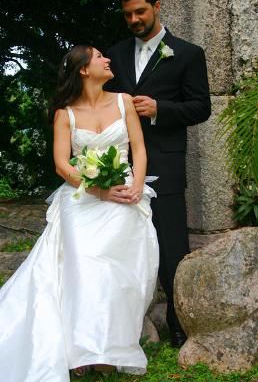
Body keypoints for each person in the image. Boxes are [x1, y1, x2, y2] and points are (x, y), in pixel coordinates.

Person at [0, 45, 159, 381]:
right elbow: (61, 164)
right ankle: (81, 347)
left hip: (125, 191)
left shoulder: (124, 101)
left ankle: (108, 346)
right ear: (84, 69)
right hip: (82, 197)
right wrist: (99, 190)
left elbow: (139, 148)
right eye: (99, 56)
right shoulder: (65, 114)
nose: (107, 60)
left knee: (117, 266)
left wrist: (136, 186)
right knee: (84, 259)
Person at [105, 0, 211, 348]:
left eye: (140, 11)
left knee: (172, 245)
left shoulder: (187, 53)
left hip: (164, 163)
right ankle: (121, 326)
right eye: (127, 14)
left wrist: (159, 109)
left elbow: (202, 107)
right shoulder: (115, 54)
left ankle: (180, 324)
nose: (134, 19)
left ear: (157, 7)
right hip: (120, 162)